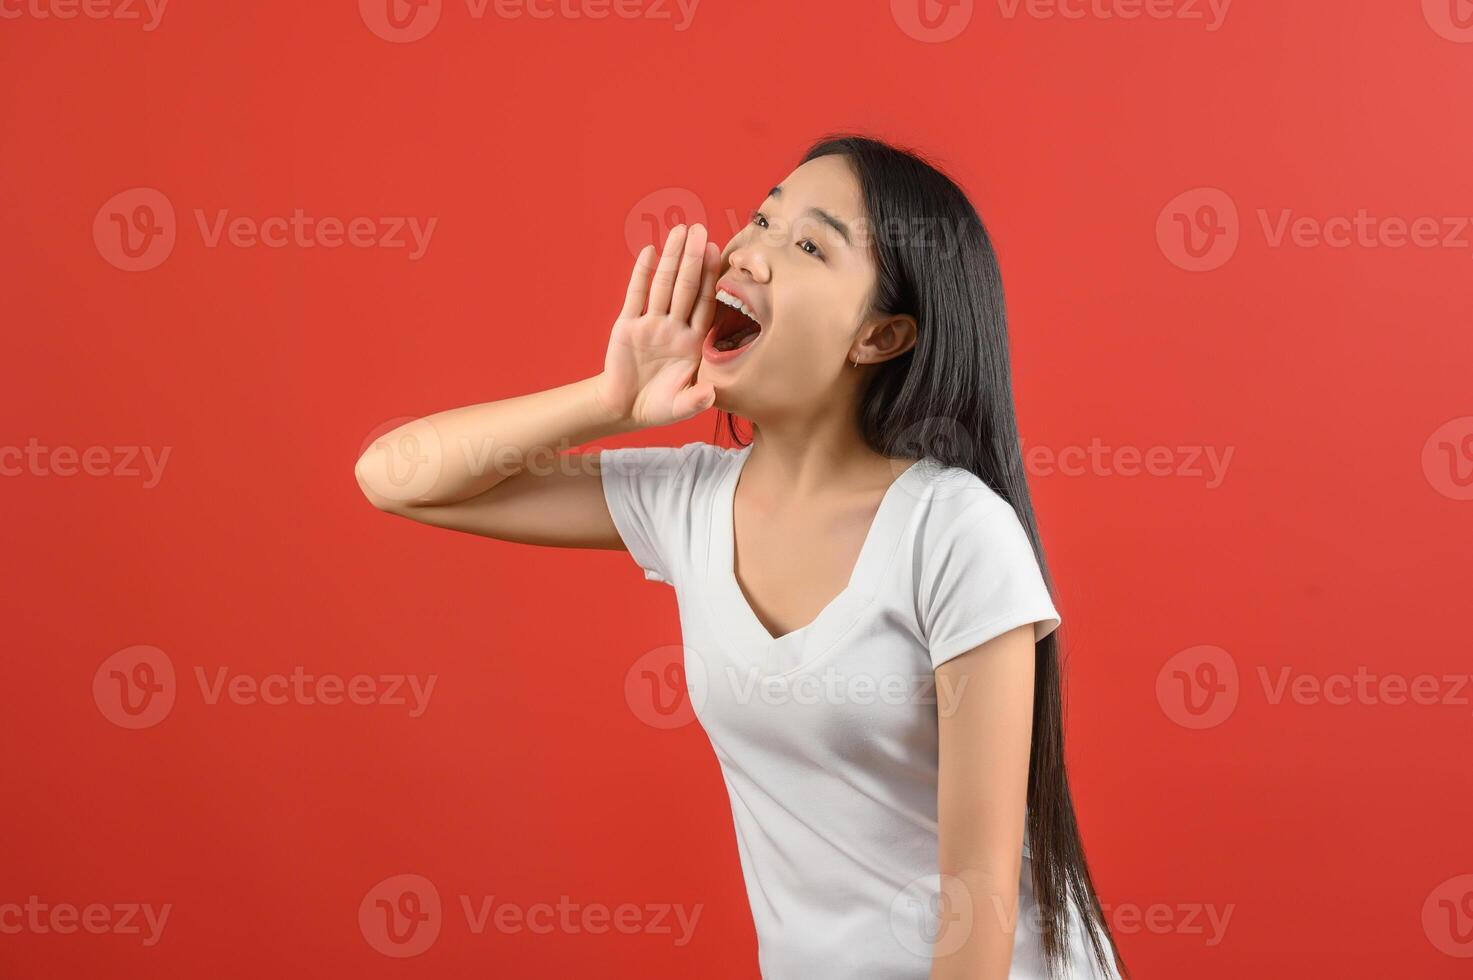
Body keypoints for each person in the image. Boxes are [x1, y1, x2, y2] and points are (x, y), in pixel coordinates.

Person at [354, 133, 1127, 980]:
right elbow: (397, 478)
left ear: (879, 336)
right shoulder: (690, 503)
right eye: (760, 218)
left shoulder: (952, 532)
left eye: (806, 245)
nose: (750, 252)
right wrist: (609, 401)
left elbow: (976, 891)